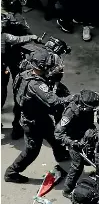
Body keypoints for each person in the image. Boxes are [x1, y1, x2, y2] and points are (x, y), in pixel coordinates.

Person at [4, 50, 71, 183]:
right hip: (32, 123)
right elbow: (55, 102)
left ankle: (61, 154)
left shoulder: (25, 74)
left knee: (53, 135)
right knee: (32, 151)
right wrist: (72, 98)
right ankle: (11, 172)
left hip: (39, 116)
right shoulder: (36, 85)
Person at [54, 90, 99, 198]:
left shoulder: (86, 105)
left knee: (98, 156)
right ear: (83, 106)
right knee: (77, 166)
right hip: (75, 140)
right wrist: (72, 143)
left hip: (88, 134)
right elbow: (58, 133)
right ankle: (67, 190)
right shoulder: (70, 113)